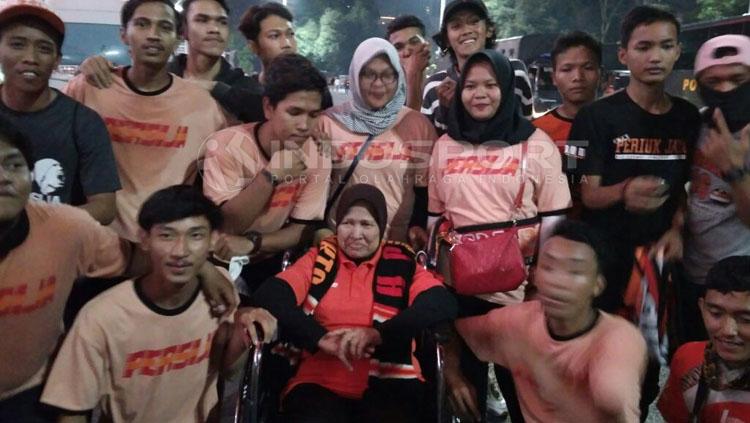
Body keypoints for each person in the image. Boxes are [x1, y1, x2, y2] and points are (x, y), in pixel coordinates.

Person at [0, 117, 234, 422]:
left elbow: (139, 257)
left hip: (27, 393)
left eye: (14, 165)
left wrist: (203, 268)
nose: (4, 177)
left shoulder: (66, 228)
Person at [40, 185, 277, 423]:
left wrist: (245, 330)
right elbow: (73, 410)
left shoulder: (219, 293)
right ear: (144, 239)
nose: (180, 251)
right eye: (167, 235)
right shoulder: (101, 317)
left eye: (195, 235)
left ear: (213, 239)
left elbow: (229, 371)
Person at [566, 6, 701, 416]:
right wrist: (624, 191)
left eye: (665, 46)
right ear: (624, 54)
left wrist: (678, 229)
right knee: (594, 371)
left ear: (678, 51)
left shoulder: (687, 118)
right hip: (604, 268)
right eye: (644, 47)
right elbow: (583, 194)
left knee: (643, 374)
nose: (655, 56)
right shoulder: (595, 117)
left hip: (659, 272)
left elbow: (690, 189)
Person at [427, 49, 571, 422]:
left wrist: (542, 281)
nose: (480, 93)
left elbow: (554, 220)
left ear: (506, 89)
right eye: (470, 85)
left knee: (524, 397)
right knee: (467, 399)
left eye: (491, 84)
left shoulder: (536, 144)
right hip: (459, 289)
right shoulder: (445, 146)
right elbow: (435, 217)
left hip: (519, 294)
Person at [252, 183, 457, 422]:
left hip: (391, 381)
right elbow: (271, 294)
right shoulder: (321, 260)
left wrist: (378, 334)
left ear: (380, 228)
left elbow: (441, 303)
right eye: (348, 223)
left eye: (366, 224)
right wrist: (319, 337)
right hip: (319, 380)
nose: (356, 234)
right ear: (337, 225)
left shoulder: (402, 263)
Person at [64, 0, 228, 242]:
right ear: (123, 35)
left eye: (164, 27)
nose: (153, 35)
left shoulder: (203, 107)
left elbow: (218, 182)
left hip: (164, 251)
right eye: (142, 24)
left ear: (177, 39)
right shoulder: (89, 88)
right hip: (92, 245)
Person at [456, 220, 647, 422]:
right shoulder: (516, 322)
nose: (558, 282)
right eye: (549, 267)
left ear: (597, 285)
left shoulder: (620, 340)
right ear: (535, 276)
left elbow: (614, 396)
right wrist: (453, 376)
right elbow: (456, 331)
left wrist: (610, 395)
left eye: (574, 271)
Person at [202, 53, 330, 294]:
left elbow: (303, 229)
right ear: (268, 107)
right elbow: (228, 224)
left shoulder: (318, 153)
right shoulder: (226, 145)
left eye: (313, 115)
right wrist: (270, 176)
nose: (304, 125)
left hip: (271, 259)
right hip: (218, 258)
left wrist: (253, 243)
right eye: (294, 112)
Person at [0, 0, 120, 224]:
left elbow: (104, 207)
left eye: (44, 49)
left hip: (54, 249)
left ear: (56, 61)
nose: (30, 58)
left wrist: (37, 223)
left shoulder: (83, 122)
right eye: (17, 44)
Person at [321, 37, 437, 247]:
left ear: (398, 77)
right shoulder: (329, 123)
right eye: (368, 74)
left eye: (387, 75)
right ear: (355, 75)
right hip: (341, 243)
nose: (378, 84)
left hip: (397, 245)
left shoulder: (417, 125)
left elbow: (423, 192)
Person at [80, 0, 264, 123]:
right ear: (182, 31)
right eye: (202, 20)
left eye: (222, 22)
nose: (214, 29)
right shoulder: (159, 77)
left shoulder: (245, 88)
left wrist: (215, 88)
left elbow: (268, 115)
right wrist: (90, 68)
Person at [682, 35, 750, 344]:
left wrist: (735, 169)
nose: (725, 89)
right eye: (714, 81)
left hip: (741, 287)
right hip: (695, 276)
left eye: (737, 79)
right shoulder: (696, 125)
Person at [658, 256, 750, 422]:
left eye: (746, 319)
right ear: (702, 308)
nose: (728, 330)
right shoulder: (687, 360)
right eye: (716, 314)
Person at [421, 0, 532, 135]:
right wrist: (447, 111)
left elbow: (525, 128)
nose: (467, 31)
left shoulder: (515, 72)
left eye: (474, 22)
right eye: (456, 26)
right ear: (446, 39)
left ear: (489, 30)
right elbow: (432, 142)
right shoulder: (435, 86)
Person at [533, 31, 602, 154]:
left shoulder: (620, 127)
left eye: (587, 68)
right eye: (567, 69)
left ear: (600, 74)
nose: (578, 77)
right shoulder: (537, 131)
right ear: (554, 77)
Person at [386, 15, 431, 111]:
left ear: (426, 45)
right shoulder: (383, 99)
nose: (407, 52)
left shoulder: (442, 90)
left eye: (414, 42)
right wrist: (413, 75)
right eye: (398, 47)